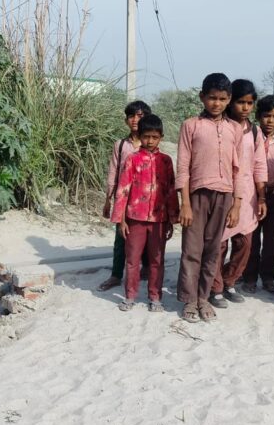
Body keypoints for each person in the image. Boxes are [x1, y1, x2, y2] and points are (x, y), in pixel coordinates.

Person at [176, 73, 243, 323]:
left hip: (224, 195)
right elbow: (182, 166)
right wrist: (185, 203)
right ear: (202, 97)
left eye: (222, 99)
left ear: (229, 99)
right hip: (197, 195)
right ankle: (189, 299)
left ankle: (204, 298)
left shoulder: (234, 129)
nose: (217, 103)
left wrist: (236, 204)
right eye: (212, 98)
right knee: (192, 250)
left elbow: (238, 169)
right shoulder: (191, 125)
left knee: (213, 250)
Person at [110, 114, 179, 312]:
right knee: (132, 259)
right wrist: (121, 220)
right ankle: (130, 296)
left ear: (161, 137)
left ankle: (155, 297)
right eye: (146, 136)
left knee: (157, 260)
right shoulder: (132, 159)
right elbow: (123, 190)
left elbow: (171, 190)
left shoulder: (166, 161)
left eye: (154, 137)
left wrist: (171, 219)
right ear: (139, 136)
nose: (150, 141)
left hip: (159, 220)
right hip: (135, 219)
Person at [210, 80, 268, 307]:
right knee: (219, 243)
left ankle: (229, 281)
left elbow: (259, 165)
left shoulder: (255, 131)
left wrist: (261, 197)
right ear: (230, 102)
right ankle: (215, 287)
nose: (245, 107)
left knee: (244, 243)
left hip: (248, 194)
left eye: (249, 103)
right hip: (223, 191)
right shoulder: (220, 127)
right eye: (240, 102)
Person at [98, 101, 152, 292]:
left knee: (147, 235)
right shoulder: (120, 145)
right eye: (131, 116)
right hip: (124, 199)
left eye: (140, 116)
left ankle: (146, 268)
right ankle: (115, 274)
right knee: (121, 237)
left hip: (146, 199)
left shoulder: (151, 142)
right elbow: (113, 172)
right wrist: (108, 200)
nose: (135, 120)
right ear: (126, 120)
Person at [242, 95, 274, 295]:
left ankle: (268, 277)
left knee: (271, 240)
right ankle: (249, 277)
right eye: (266, 116)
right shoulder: (249, 137)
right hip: (252, 195)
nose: (270, 121)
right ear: (258, 116)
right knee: (252, 239)